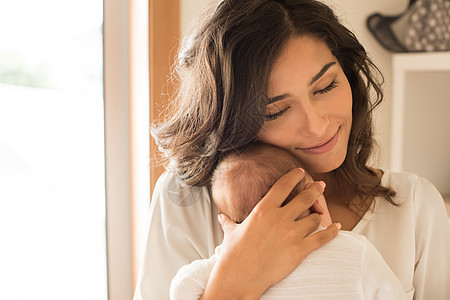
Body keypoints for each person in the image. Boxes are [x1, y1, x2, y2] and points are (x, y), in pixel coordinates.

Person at [134, 0, 450, 299]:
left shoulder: (415, 206)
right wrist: (236, 280)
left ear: (349, 76)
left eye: (326, 86)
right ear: (232, 121)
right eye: (276, 111)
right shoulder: (185, 203)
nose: (316, 125)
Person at [170, 142, 406, 299]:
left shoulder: (226, 261)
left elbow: (181, 288)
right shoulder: (356, 250)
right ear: (316, 199)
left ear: (231, 225)